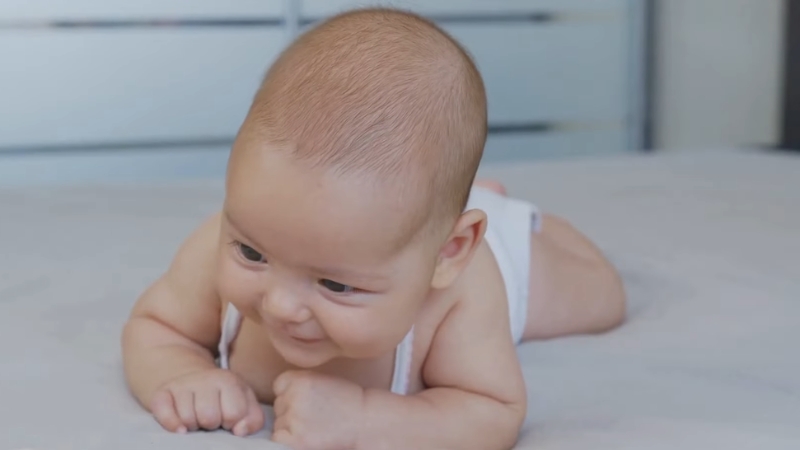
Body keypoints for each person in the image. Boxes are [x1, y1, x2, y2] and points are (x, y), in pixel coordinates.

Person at [121, 8, 626, 450]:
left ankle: (496, 208)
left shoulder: (462, 298)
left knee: (603, 297)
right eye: (253, 255)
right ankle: (451, 202)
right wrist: (183, 374)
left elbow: (492, 412)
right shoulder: (221, 242)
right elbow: (155, 327)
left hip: (499, 252)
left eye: (336, 285)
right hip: (398, 230)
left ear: (448, 252)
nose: (279, 305)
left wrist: (368, 421)